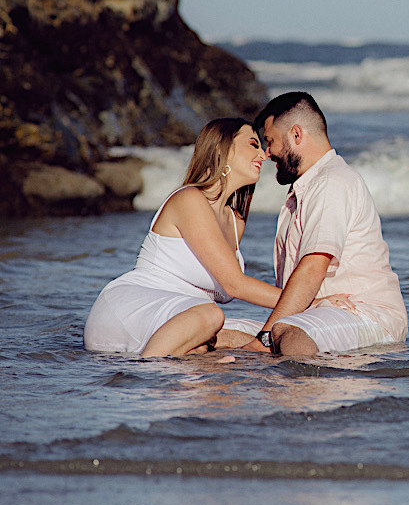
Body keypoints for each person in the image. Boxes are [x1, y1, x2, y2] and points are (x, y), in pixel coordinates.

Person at [83, 118, 285, 357]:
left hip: (183, 320)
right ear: (224, 149)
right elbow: (235, 284)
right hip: (129, 312)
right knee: (213, 315)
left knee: (273, 339)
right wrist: (311, 302)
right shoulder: (190, 199)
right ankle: (149, 371)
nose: (264, 155)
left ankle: (197, 355)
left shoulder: (234, 222)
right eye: (254, 144)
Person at [231, 91, 408, 355]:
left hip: (367, 316)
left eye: (270, 141)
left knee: (283, 333)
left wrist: (264, 339)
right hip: (315, 316)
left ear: (297, 135)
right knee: (214, 329)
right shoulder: (306, 187)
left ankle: (306, 393)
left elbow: (314, 267)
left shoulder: (331, 181)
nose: (267, 153)